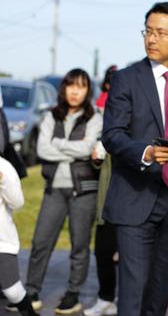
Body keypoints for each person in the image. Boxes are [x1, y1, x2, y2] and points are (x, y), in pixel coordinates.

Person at [101, 1, 168, 316]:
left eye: (161, 33)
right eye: (147, 31)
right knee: (133, 294)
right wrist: (146, 153)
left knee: (159, 294)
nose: (151, 39)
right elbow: (112, 134)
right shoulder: (126, 79)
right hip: (135, 195)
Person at [24, 68, 102, 314]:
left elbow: (89, 147)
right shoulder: (50, 116)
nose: (75, 91)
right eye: (71, 86)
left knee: (79, 245)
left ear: (88, 90)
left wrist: (58, 144)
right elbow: (43, 151)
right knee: (40, 241)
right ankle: (32, 290)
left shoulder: (95, 116)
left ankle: (73, 293)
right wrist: (73, 148)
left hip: (84, 189)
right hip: (54, 188)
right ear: (64, 88)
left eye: (81, 86)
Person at [84, 66, 118, 316]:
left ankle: (129, 300)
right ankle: (106, 298)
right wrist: (96, 158)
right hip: (108, 196)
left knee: (130, 257)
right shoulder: (102, 116)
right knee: (104, 251)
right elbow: (99, 158)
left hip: (135, 198)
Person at [0, 157, 38, 316]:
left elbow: (17, 202)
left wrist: (2, 180)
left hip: (2, 241)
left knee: (12, 291)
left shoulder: (4, 166)